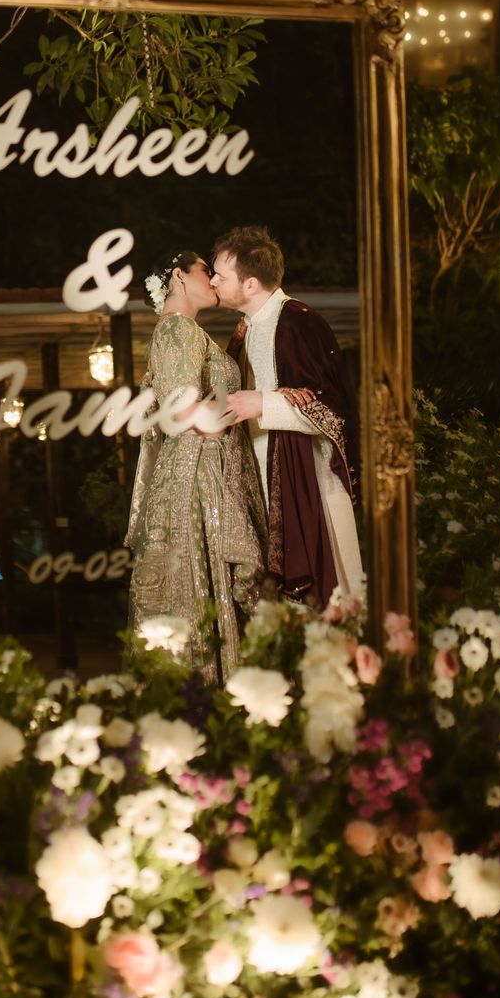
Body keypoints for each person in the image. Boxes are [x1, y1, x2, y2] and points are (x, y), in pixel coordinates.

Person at [126, 250, 266, 681]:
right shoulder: (177, 329)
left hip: (200, 468)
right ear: (179, 277)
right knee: (201, 582)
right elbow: (184, 413)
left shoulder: (188, 332)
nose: (214, 279)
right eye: (206, 270)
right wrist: (250, 405)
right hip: (197, 475)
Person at [210, 225, 363, 607]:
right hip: (261, 481)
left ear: (250, 284)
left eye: (220, 276)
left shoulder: (298, 321)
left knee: (324, 605)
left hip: (308, 485)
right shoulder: (248, 327)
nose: (212, 282)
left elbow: (336, 409)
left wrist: (264, 404)